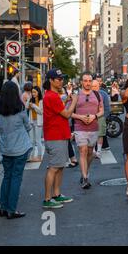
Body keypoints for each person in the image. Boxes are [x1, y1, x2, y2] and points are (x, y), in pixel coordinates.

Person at [42, 69, 78, 209]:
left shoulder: (54, 95)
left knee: (60, 166)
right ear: (51, 80)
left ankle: (56, 194)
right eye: (58, 79)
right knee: (53, 168)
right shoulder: (51, 96)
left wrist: (67, 100)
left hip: (60, 134)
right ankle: (47, 198)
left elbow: (59, 109)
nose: (61, 81)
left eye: (61, 78)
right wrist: (73, 101)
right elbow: (67, 114)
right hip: (54, 136)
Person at [0, 82, 32, 219]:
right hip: (20, 148)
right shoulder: (20, 108)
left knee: (7, 177)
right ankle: (11, 209)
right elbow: (28, 126)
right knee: (16, 178)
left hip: (6, 148)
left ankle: (3, 208)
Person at [72, 72, 104, 189]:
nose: (87, 83)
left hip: (93, 127)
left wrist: (94, 117)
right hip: (80, 128)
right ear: (81, 82)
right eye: (85, 81)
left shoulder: (97, 95)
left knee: (90, 153)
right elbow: (69, 112)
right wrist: (81, 117)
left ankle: (84, 171)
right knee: (83, 150)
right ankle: (85, 178)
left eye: (89, 81)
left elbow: (102, 111)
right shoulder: (76, 95)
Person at [92, 79, 110, 159]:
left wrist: (103, 117)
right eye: (92, 86)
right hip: (90, 118)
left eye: (95, 86)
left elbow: (107, 107)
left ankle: (98, 151)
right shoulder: (87, 94)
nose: (94, 88)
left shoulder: (103, 94)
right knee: (91, 135)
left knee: (100, 135)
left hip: (100, 117)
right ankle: (92, 151)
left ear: (99, 86)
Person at [26, 86, 44, 162]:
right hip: (31, 121)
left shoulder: (41, 101)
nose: (33, 94)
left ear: (38, 92)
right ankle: (32, 156)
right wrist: (29, 99)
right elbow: (26, 107)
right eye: (32, 92)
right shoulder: (31, 100)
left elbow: (41, 111)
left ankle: (39, 156)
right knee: (31, 140)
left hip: (38, 122)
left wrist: (34, 106)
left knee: (38, 140)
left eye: (35, 92)